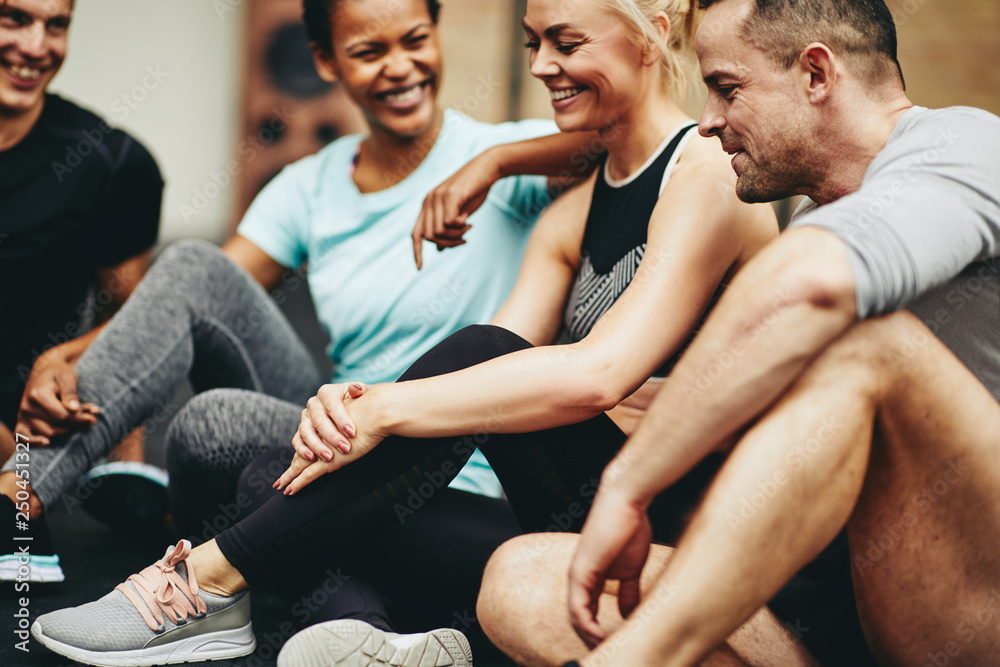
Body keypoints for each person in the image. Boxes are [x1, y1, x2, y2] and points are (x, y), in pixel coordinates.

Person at [28, 0, 792, 665]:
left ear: (653, 35)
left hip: (664, 527)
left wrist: (382, 409)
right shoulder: (569, 216)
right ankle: (375, 642)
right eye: (533, 44)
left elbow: (592, 374)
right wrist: (352, 409)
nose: (544, 65)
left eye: (566, 41)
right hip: (556, 519)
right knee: (275, 476)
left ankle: (205, 582)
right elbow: (490, 381)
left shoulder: (706, 171)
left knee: (467, 363)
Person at [1, 0, 581, 606]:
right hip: (338, 437)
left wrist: (490, 165)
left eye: (415, 40)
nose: (400, 66)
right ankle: (16, 501)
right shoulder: (312, 183)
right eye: (368, 51)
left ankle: (203, 536)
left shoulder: (511, 156)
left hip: (456, 465)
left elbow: (619, 134)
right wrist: (67, 354)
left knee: (211, 437)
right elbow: (182, 298)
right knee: (197, 284)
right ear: (326, 62)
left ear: (436, 35)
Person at [476, 0, 1000, 665]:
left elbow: (812, 286)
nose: (708, 120)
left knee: (870, 343)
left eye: (727, 88)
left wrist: (627, 484)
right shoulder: (813, 220)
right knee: (517, 581)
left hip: (971, 592)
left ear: (816, 74)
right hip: (847, 600)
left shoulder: (965, 146)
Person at [0, 0, 164, 582]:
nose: (37, 46)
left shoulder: (110, 162)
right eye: (13, 17)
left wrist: (126, 467)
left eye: (57, 23)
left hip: (33, 423)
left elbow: (134, 317)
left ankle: (18, 504)